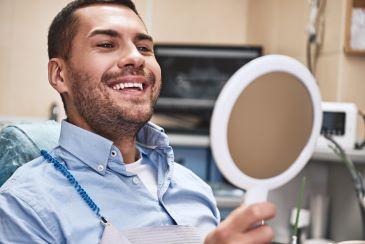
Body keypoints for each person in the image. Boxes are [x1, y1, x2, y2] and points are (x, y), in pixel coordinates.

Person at [0, 0, 276, 243]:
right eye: (107, 44)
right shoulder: (25, 207)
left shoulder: (194, 188)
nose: (135, 57)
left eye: (144, 47)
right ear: (60, 75)